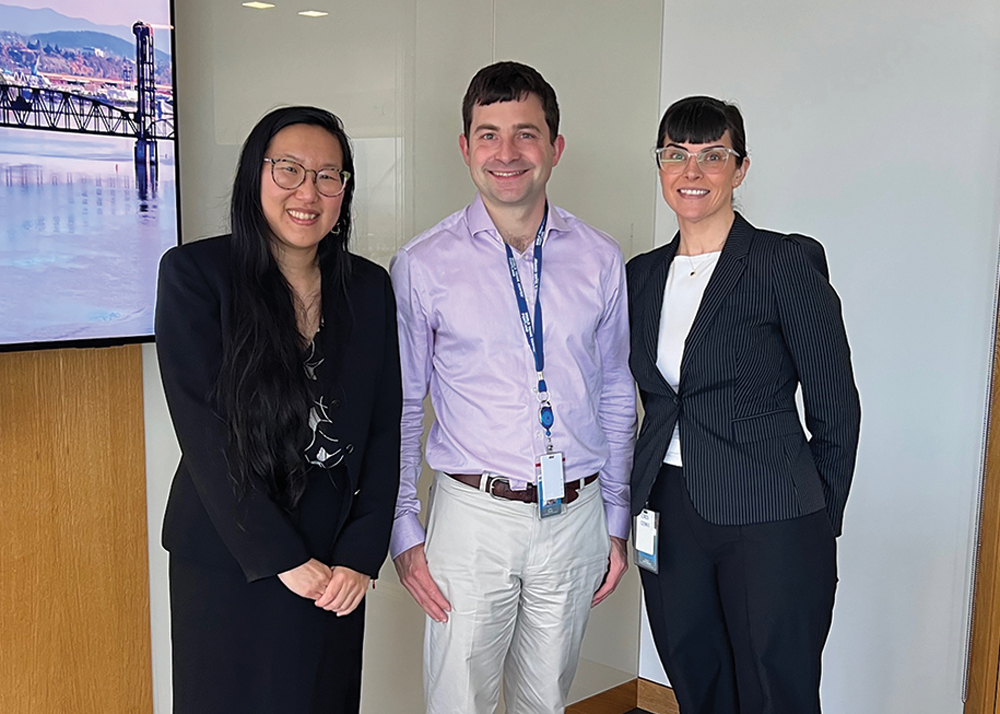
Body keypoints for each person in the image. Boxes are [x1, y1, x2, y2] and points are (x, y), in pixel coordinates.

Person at [390, 61, 636, 714]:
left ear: (555, 147)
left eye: (526, 133)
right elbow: (405, 404)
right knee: (459, 703)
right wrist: (402, 525)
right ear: (465, 147)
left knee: (545, 702)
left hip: (576, 515)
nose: (507, 153)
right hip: (473, 518)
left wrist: (615, 516)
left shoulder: (600, 257)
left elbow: (616, 390)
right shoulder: (422, 265)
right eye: (488, 134)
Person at [155, 106, 401, 714]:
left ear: (344, 190)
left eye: (327, 176)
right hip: (231, 553)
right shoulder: (196, 274)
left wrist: (361, 554)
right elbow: (204, 435)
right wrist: (281, 557)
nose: (307, 192)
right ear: (255, 175)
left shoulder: (369, 286)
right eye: (289, 169)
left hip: (335, 560)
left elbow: (382, 428)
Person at [627, 95, 861, 714]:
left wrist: (818, 516)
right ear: (660, 166)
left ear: (741, 168)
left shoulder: (783, 261)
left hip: (772, 514)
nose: (692, 171)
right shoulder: (639, 276)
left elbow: (835, 400)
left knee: (775, 688)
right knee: (696, 679)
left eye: (713, 155)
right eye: (675, 154)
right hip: (666, 508)